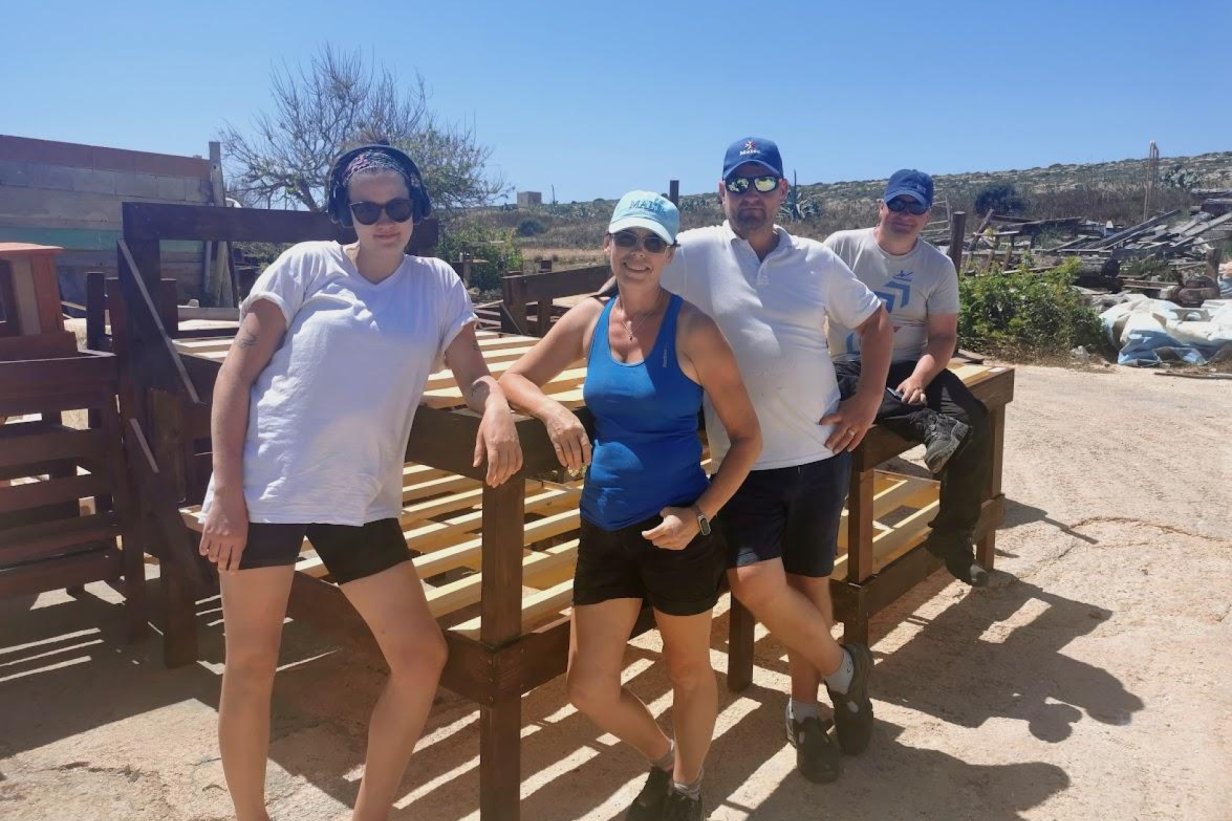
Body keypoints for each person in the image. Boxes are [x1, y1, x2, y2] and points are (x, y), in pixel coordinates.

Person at [196, 144, 522, 821]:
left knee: (420, 657)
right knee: (251, 663)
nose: (383, 220)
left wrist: (494, 405)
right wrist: (226, 490)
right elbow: (236, 372)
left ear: (417, 208)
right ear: (344, 213)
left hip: (361, 498)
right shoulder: (307, 265)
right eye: (366, 209)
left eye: (397, 206)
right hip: (266, 488)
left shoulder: (437, 283)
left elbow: (473, 371)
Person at [500, 191, 760, 821]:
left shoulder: (694, 329)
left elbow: (748, 438)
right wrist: (554, 411)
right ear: (607, 245)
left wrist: (699, 515)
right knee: (587, 686)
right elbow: (513, 377)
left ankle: (688, 787)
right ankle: (666, 758)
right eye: (627, 240)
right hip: (605, 524)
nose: (638, 253)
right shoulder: (589, 320)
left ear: (670, 254)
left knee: (688, 672)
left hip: (677, 530)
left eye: (652, 243)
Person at [660, 138, 894, 784]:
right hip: (745, 461)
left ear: (783, 191)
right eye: (739, 184)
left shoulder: (815, 259)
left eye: (764, 183)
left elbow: (875, 324)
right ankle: (845, 669)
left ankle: (806, 714)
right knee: (753, 581)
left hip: (820, 453)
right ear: (721, 192)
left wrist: (868, 399)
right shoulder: (694, 253)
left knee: (810, 585)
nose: (751, 196)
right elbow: (629, 291)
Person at [824, 169, 992, 587]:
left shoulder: (937, 266)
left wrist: (919, 378)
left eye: (914, 207)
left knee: (974, 422)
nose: (904, 214)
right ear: (881, 206)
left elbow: (943, 337)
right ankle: (929, 425)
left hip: (907, 364)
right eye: (897, 204)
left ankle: (953, 537)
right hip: (848, 362)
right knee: (847, 385)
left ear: (926, 215)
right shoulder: (841, 246)